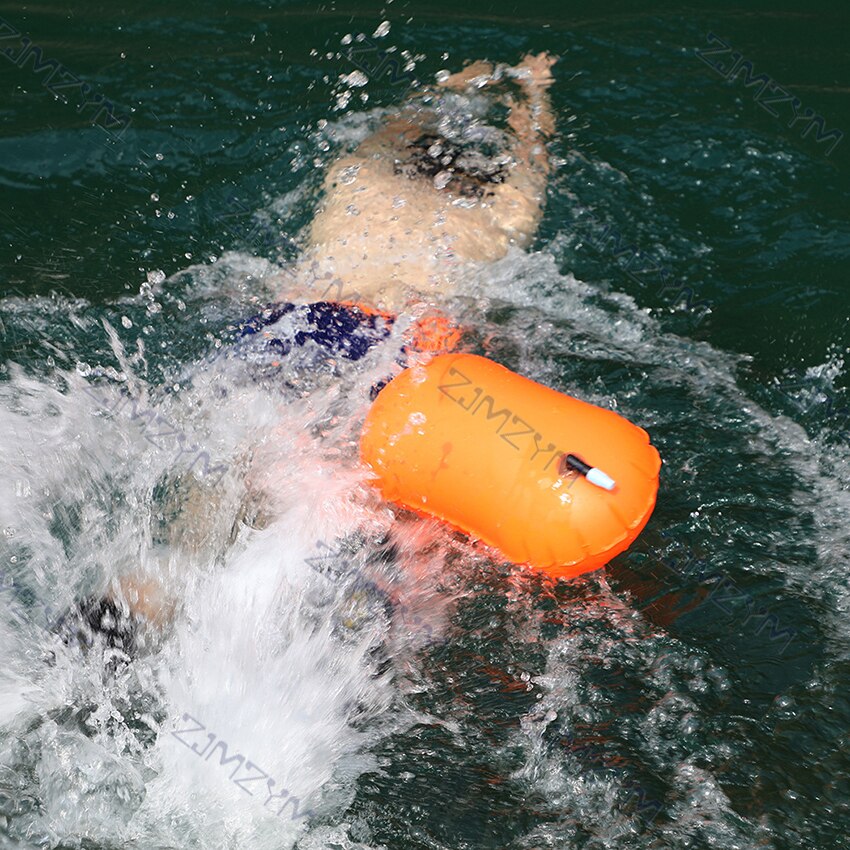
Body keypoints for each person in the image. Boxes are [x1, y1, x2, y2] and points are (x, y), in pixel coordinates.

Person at [70, 52, 559, 649]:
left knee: (210, 508)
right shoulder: (491, 221)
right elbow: (531, 170)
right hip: (383, 349)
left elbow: (390, 130)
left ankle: (106, 629)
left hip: (279, 331)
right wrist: (535, 96)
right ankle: (351, 634)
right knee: (367, 511)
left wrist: (446, 88)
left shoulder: (358, 180)